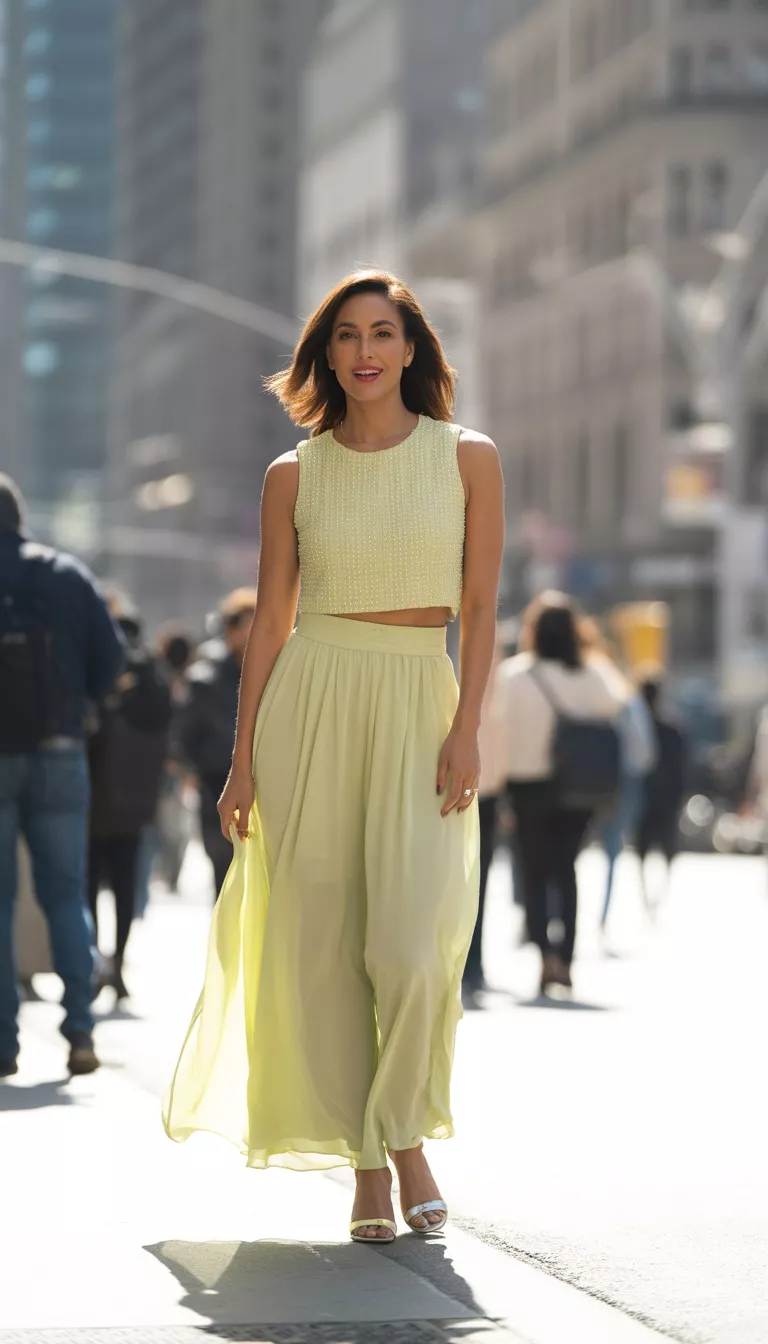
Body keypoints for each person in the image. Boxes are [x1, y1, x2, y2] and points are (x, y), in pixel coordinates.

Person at [163, 269, 504, 1245]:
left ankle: (403, 1135)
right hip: (309, 702)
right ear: (326, 354)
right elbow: (271, 619)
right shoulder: (294, 474)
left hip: (418, 700)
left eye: (383, 333)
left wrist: (469, 724)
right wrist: (241, 760)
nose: (365, 351)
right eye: (347, 335)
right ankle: (372, 1163)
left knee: (410, 949)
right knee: (324, 948)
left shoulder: (467, 458)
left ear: (411, 349)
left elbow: (480, 610)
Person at [0, 474, 124, 1076]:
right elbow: (112, 661)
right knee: (65, 894)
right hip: (59, 751)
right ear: (20, 517)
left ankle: (3, 1043)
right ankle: (79, 1028)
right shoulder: (65, 574)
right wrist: (78, 706)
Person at [496, 592, 624, 995]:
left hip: (526, 784)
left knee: (533, 872)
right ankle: (566, 959)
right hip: (576, 786)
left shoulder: (516, 675)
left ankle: (545, 956)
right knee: (567, 871)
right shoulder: (592, 672)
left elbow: (502, 732)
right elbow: (617, 704)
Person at [87, 604, 172, 1000]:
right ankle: (118, 965)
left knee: (87, 887)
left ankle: (95, 965)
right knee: (125, 887)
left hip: (95, 800)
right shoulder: (154, 676)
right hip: (136, 804)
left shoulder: (103, 671)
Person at [179, 590, 256, 899]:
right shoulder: (205, 678)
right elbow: (187, 734)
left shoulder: (279, 673)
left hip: (264, 783)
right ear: (230, 630)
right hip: (216, 785)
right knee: (223, 869)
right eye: (245, 625)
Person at [463, 636, 506, 996]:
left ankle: (469, 962)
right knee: (478, 881)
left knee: (466, 881)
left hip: (471, 784)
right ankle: (472, 964)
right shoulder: (502, 680)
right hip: (487, 787)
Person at [634, 676, 687, 910]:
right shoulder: (672, 726)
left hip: (644, 795)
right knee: (666, 845)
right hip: (665, 797)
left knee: (642, 847)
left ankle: (648, 893)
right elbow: (682, 766)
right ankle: (659, 891)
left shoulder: (637, 727)